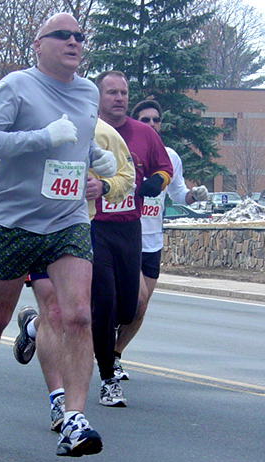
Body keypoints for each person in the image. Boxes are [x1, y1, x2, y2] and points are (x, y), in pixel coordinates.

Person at [0, 13, 117, 457]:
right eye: (62, 35)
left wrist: (94, 156)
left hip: (67, 218)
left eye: (79, 36)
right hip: (14, 220)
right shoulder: (16, 86)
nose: (73, 42)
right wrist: (41, 137)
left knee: (78, 315)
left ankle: (74, 418)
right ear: (38, 44)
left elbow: (76, 141)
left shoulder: (88, 92)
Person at [12, 118, 135, 432]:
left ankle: (33, 328)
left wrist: (104, 186)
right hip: (35, 227)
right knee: (54, 311)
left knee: (78, 315)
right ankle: (59, 400)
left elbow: (127, 177)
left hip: (77, 231)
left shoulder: (102, 132)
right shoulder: (28, 121)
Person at [89, 71, 173, 407]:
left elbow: (164, 168)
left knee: (128, 308)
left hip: (130, 227)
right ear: (98, 97)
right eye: (112, 92)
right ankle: (108, 378)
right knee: (104, 303)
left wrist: (157, 181)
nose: (119, 98)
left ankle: (38, 327)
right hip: (94, 226)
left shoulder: (144, 134)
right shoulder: (89, 130)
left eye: (123, 93)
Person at [112, 99, 209, 381]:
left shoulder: (170, 157)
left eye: (156, 119)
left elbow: (178, 194)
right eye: (146, 120)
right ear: (135, 122)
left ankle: (115, 355)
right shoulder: (123, 150)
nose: (152, 124)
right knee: (132, 299)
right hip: (124, 236)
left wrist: (194, 195)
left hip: (153, 242)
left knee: (140, 308)